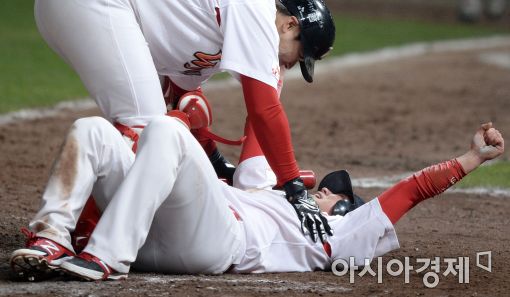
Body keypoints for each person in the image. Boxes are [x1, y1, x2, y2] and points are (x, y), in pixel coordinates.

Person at [10, 114, 504, 280]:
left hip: (216, 244)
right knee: (92, 129)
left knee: (166, 129)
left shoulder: (343, 231)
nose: (323, 192)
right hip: (163, 229)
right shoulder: (269, 191)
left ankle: (105, 256)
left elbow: (410, 190)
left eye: (334, 194)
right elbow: (256, 123)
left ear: (346, 208)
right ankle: (52, 235)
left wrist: (472, 158)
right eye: (323, 189)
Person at [33, 0, 337, 238]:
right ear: (288, 25)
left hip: (95, 11)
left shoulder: (223, 27)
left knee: (161, 124)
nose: (295, 63)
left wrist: (219, 162)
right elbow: (265, 112)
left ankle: (86, 226)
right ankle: (64, 232)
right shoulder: (255, 9)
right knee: (145, 128)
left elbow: (183, 98)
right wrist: (294, 187)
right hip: (93, 7)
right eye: (301, 52)